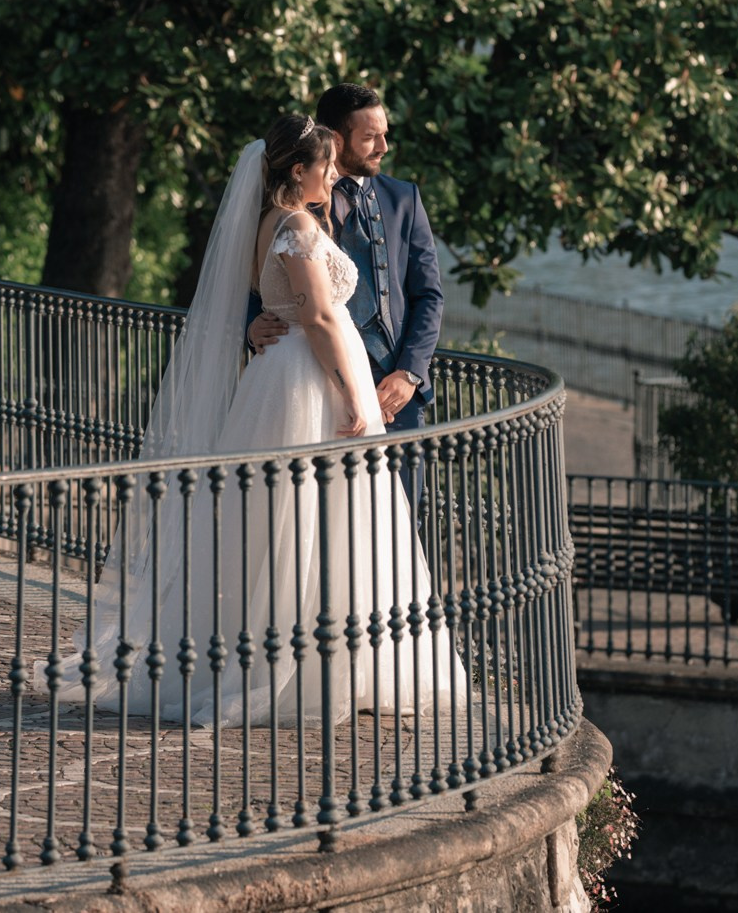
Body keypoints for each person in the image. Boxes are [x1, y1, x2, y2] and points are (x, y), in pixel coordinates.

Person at [63, 114, 461, 724]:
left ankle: (322, 657)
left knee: (307, 515)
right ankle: (297, 666)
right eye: (325, 165)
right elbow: (321, 317)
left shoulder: (276, 221)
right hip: (309, 378)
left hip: (293, 371)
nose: (335, 174)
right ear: (299, 171)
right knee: (304, 513)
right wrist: (352, 396)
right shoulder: (296, 224)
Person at [247, 83, 444, 497]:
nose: (383, 146)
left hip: (394, 387)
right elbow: (258, 277)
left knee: (400, 517)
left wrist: (410, 373)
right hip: (314, 382)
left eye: (385, 134)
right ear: (336, 138)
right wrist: (251, 326)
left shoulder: (403, 198)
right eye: (370, 136)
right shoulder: (296, 200)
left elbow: (429, 294)